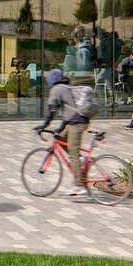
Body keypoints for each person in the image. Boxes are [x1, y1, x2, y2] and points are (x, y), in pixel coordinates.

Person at [35, 66, 96, 197]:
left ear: (51, 80)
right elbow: (68, 112)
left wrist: (43, 125)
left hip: (77, 123)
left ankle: (79, 185)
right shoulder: (66, 87)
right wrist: (60, 128)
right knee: (60, 138)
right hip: (75, 121)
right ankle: (80, 161)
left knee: (72, 153)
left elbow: (51, 111)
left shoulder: (56, 90)